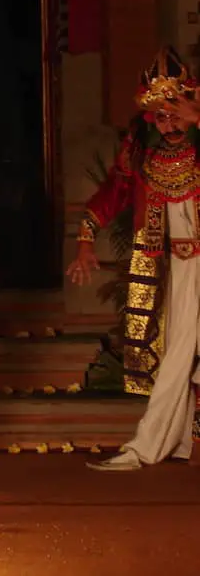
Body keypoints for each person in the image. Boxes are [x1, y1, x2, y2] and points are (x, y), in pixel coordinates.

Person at [69, 46, 200, 470]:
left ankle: (161, 444)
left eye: (178, 113)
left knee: (185, 356)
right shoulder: (143, 155)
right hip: (173, 270)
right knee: (175, 355)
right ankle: (158, 444)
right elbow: (113, 192)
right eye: (161, 116)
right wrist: (85, 239)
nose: (171, 124)